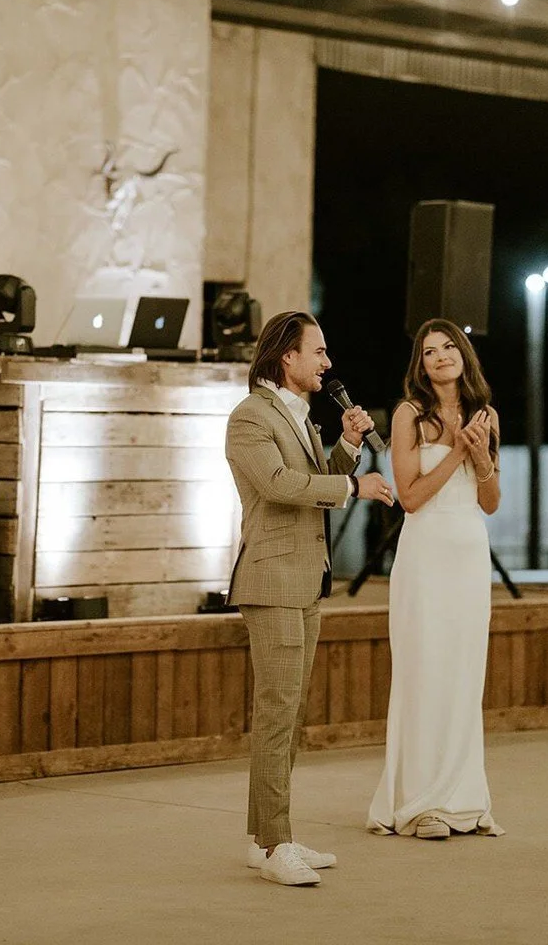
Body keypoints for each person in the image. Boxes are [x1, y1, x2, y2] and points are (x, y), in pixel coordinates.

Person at [226, 310, 395, 886]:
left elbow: (313, 489)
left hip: (304, 580)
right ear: (286, 357)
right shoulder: (250, 416)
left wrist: (347, 449)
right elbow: (278, 485)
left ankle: (262, 838)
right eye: (318, 352)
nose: (328, 363)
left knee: (290, 714)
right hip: (271, 581)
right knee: (276, 714)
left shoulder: (299, 416)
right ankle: (276, 845)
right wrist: (353, 484)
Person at [366, 318, 505, 840]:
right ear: (420, 365)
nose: (441, 356)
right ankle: (421, 805)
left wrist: (482, 454)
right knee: (425, 671)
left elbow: (489, 501)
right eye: (430, 351)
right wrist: (458, 452)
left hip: (469, 556)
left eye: (449, 347)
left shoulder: (485, 414)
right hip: (425, 557)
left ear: (464, 355)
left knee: (465, 675)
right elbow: (412, 497)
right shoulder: (409, 415)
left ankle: (465, 800)